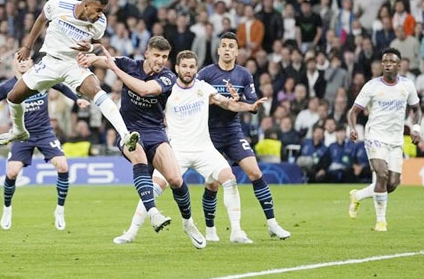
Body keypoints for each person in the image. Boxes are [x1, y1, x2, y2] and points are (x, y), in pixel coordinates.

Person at [0, 0, 174, 230]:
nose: (101, 16)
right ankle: (19, 130)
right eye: (98, 10)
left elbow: (93, 45)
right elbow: (40, 19)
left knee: (97, 90)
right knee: (14, 97)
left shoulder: (99, 23)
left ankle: (125, 134)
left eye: (103, 12)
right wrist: (28, 47)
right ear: (86, 5)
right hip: (48, 63)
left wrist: (88, 49)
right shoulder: (57, 5)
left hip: (72, 66)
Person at [112, 50, 269, 245]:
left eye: (192, 67)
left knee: (229, 179)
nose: (188, 70)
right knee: (155, 186)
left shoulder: (204, 88)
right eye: (184, 66)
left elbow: (228, 104)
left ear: (196, 69)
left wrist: (250, 107)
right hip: (176, 148)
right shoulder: (167, 89)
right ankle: (131, 232)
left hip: (204, 148)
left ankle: (236, 231)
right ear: (177, 68)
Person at [78, 37, 204, 249]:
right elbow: (103, 59)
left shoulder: (168, 77)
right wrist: (87, 56)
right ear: (147, 54)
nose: (160, 60)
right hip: (127, 129)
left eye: (164, 57)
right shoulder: (130, 64)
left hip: (155, 131)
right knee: (138, 156)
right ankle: (153, 212)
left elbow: (145, 89)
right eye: (156, 55)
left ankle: (188, 223)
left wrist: (115, 70)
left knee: (175, 179)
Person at [195, 32, 291, 240]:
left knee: (255, 173)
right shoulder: (206, 74)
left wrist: (247, 104)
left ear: (237, 52)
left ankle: (272, 223)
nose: (227, 49)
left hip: (233, 131)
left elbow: (253, 104)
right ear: (219, 50)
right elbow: (194, 97)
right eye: (224, 45)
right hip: (209, 135)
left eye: (231, 46)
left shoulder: (244, 75)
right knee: (212, 183)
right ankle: (210, 230)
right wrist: (217, 99)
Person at [0, 56, 90, 231]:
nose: (22, 62)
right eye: (19, 59)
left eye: (26, 59)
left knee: (63, 166)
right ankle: (7, 208)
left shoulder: (42, 78)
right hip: (21, 134)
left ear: (32, 63)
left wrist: (77, 99)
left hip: (44, 132)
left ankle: (60, 210)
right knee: (12, 172)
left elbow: (61, 86)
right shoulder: (7, 86)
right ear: (14, 63)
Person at [347, 47, 421, 232]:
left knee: (392, 184)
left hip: (396, 140)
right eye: (385, 62)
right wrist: (353, 128)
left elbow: (416, 109)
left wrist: (416, 128)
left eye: (392, 62)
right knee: (381, 175)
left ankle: (358, 195)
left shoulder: (407, 85)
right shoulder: (372, 86)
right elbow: (353, 111)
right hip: (375, 136)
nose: (387, 65)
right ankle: (381, 222)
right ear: (382, 64)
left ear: (399, 65)